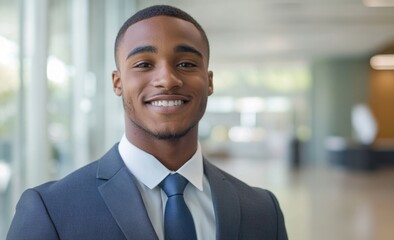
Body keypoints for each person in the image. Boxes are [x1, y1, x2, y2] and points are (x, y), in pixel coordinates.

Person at [7, 5, 288, 240]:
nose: (167, 80)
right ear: (118, 83)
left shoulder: (263, 211)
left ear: (209, 81)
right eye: (143, 64)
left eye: (187, 64)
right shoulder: (51, 210)